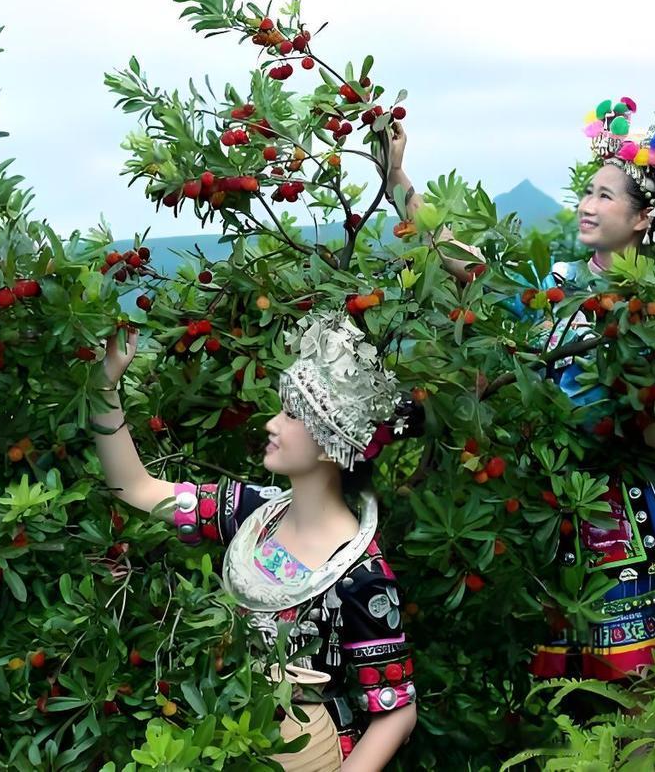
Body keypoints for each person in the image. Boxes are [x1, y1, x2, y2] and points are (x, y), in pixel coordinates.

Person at [385, 97, 655, 680]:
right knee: (587, 702)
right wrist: (396, 175)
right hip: (571, 505)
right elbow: (455, 255)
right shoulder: (552, 287)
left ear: (642, 219)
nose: (586, 205)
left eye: (604, 196)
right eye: (587, 193)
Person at [90, 310, 418, 768]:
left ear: (330, 444)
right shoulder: (250, 514)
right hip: (230, 739)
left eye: (291, 415)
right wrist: (104, 387)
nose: (272, 424)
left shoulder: (363, 578)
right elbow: (136, 488)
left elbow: (396, 712)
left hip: (313, 754)